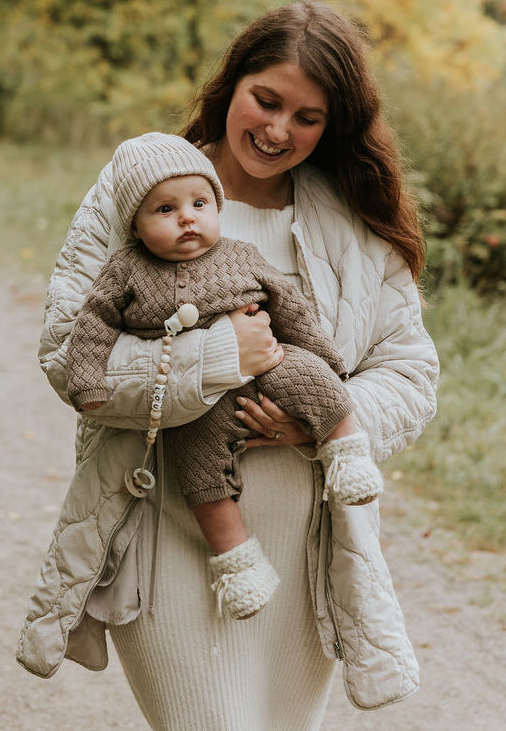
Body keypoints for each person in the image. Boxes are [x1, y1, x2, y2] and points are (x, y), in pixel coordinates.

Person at [17, 0, 439, 730]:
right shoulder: (141, 187)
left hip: (303, 549)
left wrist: (314, 420)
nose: (278, 131)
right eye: (266, 100)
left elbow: (408, 373)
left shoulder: (352, 224)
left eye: (306, 118)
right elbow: (69, 355)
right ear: (231, 85)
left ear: (332, 127)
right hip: (167, 528)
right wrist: (216, 358)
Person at [65, 131, 384, 621]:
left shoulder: (241, 255)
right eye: (164, 211)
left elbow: (290, 307)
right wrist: (88, 381)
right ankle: (237, 563)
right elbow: (93, 325)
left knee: (313, 381)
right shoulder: (125, 270)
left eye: (198, 203)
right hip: (195, 403)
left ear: (216, 207)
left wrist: (326, 360)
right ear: (135, 225)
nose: (186, 217)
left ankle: (347, 452)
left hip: (273, 362)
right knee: (201, 477)